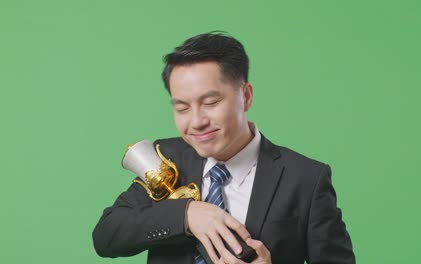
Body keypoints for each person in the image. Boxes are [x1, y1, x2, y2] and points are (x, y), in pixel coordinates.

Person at [92, 32, 355, 264]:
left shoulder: (306, 178)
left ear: (246, 96)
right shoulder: (165, 157)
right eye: (182, 107)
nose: (196, 122)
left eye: (210, 102)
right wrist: (186, 215)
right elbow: (107, 235)